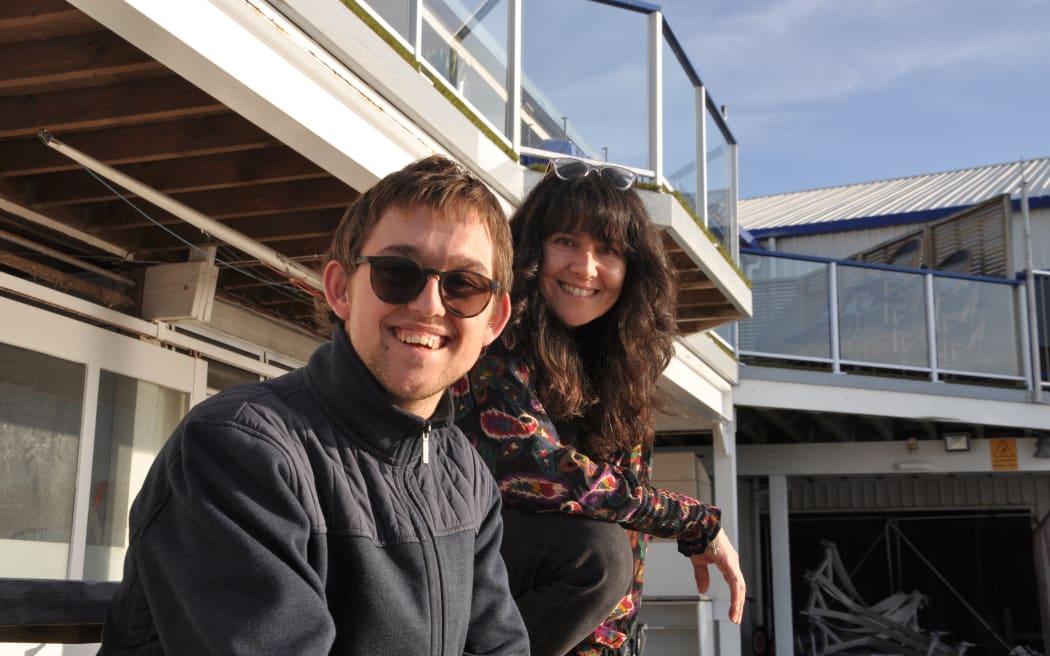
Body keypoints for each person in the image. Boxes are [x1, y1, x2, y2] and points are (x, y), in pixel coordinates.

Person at [98, 155, 529, 655]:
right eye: (397, 273)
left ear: (495, 319)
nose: (430, 304)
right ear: (341, 290)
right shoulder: (238, 449)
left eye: (464, 284)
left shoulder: (465, 472)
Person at [455, 157, 746, 655]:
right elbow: (536, 468)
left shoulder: (622, 366)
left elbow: (626, 521)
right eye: (565, 242)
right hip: (457, 571)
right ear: (530, 249)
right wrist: (694, 520)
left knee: (608, 545)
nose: (584, 269)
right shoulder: (491, 334)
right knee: (595, 551)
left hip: (537, 611)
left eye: (607, 250)